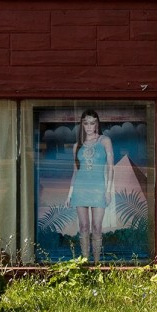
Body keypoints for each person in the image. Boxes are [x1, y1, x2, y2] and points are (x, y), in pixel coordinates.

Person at [66, 109, 115, 261]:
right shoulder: (77, 146)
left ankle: (97, 263)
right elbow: (75, 171)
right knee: (84, 227)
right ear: (82, 125)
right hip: (80, 190)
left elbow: (110, 167)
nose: (89, 126)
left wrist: (108, 191)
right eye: (86, 123)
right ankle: (86, 262)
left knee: (97, 227)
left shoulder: (105, 141)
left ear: (97, 124)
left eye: (92, 123)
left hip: (99, 189)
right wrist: (69, 194)